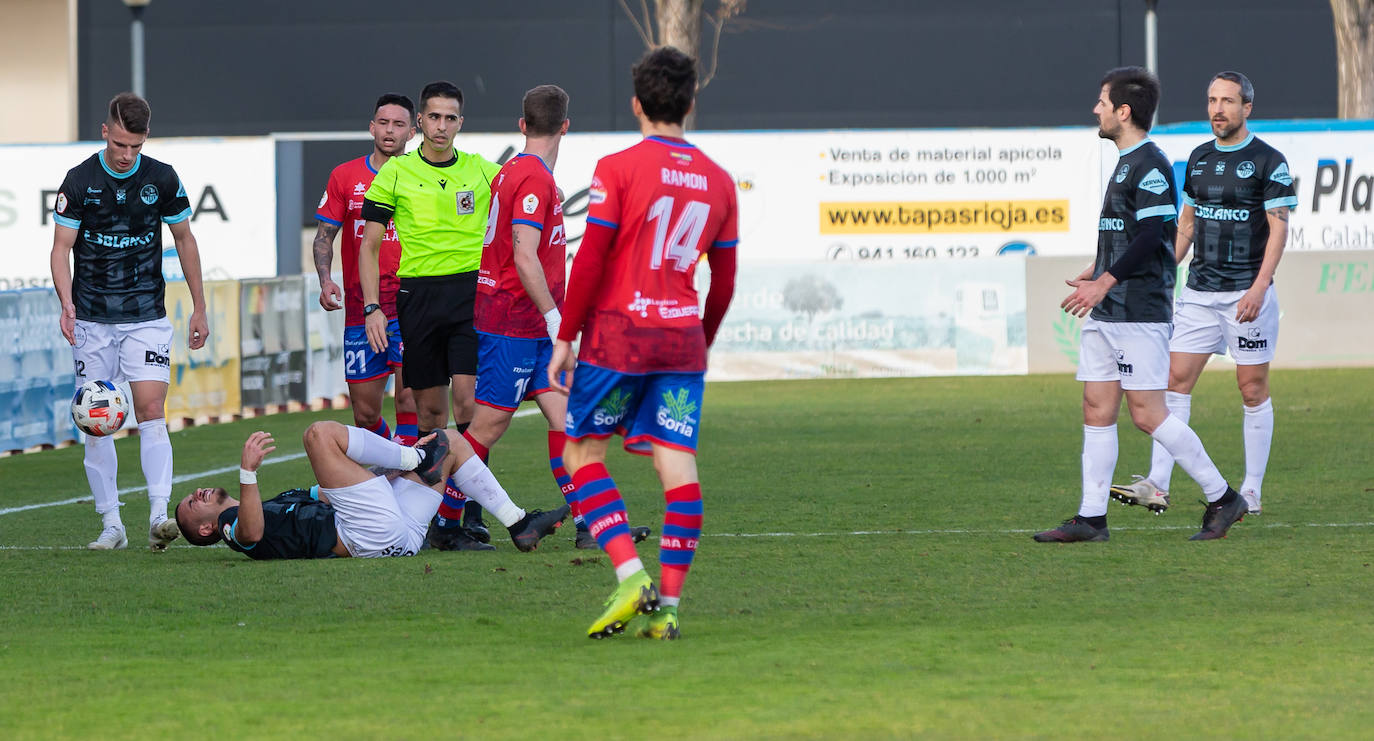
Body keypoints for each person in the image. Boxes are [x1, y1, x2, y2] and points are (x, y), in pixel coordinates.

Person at [548, 46, 739, 640]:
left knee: (581, 455)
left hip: (620, 335)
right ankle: (671, 608)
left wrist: (566, 336)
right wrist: (696, 342)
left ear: (637, 103)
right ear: (690, 102)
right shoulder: (719, 180)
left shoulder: (618, 167)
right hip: (681, 339)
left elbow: (593, 260)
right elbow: (724, 282)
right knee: (677, 467)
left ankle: (633, 578)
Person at [1032, 67, 1246, 544]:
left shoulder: (1149, 163)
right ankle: (1092, 519)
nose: (1096, 110)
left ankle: (1223, 497)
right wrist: (1098, 266)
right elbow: (1128, 233)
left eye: (1102, 102)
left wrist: (1105, 280)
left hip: (1138, 310)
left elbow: (1154, 235)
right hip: (1110, 307)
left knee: (1147, 414)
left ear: (1123, 112)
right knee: (1096, 405)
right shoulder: (1127, 161)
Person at [459, 84, 651, 552]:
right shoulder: (533, 179)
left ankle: (593, 524)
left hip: (530, 325)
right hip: (514, 323)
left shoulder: (517, 173)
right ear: (566, 126)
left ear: (522, 125)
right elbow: (524, 256)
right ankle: (447, 520)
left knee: (568, 421)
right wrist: (553, 319)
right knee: (486, 428)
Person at [1111, 71, 1296, 517]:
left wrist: (1259, 286)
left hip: (1245, 294)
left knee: (1251, 389)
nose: (1218, 109)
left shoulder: (1270, 161)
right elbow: (1186, 227)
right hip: (1197, 293)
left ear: (1247, 108)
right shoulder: (1196, 159)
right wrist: (1158, 270)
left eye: (1228, 101)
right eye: (1212, 100)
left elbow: (1279, 229)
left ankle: (1250, 490)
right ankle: (1158, 483)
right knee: (1174, 383)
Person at [49, 92, 210, 552]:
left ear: (145, 140)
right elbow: (61, 250)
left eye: (135, 146)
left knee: (150, 410)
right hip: (92, 318)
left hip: (145, 315)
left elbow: (184, 238)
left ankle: (159, 514)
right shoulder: (80, 180)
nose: (126, 155)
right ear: (105, 132)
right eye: (120, 144)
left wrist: (199, 306)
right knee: (96, 421)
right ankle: (111, 525)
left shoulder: (162, 178)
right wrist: (66, 304)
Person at [358, 81, 502, 548]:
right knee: (429, 414)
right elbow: (369, 245)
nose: (441, 126)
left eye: (450, 118)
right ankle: (430, 516)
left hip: (469, 298)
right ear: (420, 121)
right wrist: (373, 307)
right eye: (434, 117)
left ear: (462, 123)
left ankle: (469, 513)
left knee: (467, 406)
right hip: (416, 299)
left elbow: (528, 193)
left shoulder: (483, 172)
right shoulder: (395, 174)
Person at [173, 423, 569, 559]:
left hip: (397, 537)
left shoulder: (274, 504)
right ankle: (409, 457)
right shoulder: (233, 525)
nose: (200, 492)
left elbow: (336, 490)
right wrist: (247, 473)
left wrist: (391, 467)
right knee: (318, 434)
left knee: (448, 443)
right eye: (193, 503)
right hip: (366, 533)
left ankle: (519, 524)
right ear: (206, 529)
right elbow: (251, 533)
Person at [313, 93, 420, 446]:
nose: (390, 131)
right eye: (384, 123)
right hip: (362, 306)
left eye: (399, 124)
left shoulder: (422, 176)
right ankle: (396, 458)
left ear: (412, 132)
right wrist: (326, 279)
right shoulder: (345, 176)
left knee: (409, 399)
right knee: (365, 414)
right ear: (372, 127)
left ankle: (410, 484)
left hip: (411, 301)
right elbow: (325, 237)